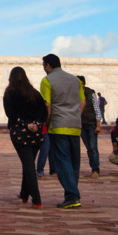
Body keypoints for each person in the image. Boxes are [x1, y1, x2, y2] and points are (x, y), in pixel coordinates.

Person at [39, 53, 84, 209]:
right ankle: (72, 194)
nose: (44, 69)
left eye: (43, 65)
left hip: (59, 125)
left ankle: (72, 195)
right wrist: (75, 116)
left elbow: (47, 106)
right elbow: (82, 102)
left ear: (49, 65)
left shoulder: (47, 81)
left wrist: (45, 123)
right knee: (74, 162)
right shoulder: (76, 80)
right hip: (75, 125)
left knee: (63, 161)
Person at [2, 66, 44, 208]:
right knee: (29, 162)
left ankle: (37, 199)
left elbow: (11, 114)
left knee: (28, 164)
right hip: (36, 133)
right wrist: (36, 124)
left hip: (19, 133)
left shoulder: (9, 93)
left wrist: (25, 124)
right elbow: (43, 112)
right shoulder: (34, 93)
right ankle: (24, 194)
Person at [78, 75, 102, 178]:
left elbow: (97, 109)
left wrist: (98, 125)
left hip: (91, 124)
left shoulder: (90, 93)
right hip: (81, 125)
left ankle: (95, 169)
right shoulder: (74, 94)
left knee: (93, 147)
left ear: (84, 84)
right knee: (89, 148)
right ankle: (93, 168)